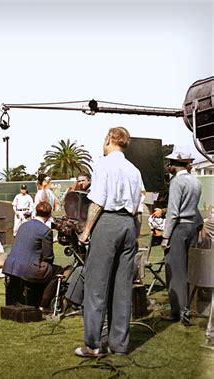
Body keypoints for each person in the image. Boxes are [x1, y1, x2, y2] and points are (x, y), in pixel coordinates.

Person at [76, 127, 143, 357]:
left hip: (108, 223)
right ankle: (120, 345)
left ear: (109, 139)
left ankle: (93, 345)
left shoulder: (103, 164)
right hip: (128, 225)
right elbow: (138, 210)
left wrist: (85, 232)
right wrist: (134, 234)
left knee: (96, 286)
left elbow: (98, 202)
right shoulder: (134, 170)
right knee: (122, 288)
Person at [161, 149, 202, 325]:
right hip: (193, 225)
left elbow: (173, 212)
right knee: (189, 270)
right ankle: (188, 308)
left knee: (175, 271)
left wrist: (165, 236)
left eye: (170, 163)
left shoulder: (177, 182)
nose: (168, 166)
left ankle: (177, 311)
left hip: (179, 227)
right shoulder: (195, 180)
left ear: (175, 165)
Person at [2, 202, 55, 306]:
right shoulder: (46, 231)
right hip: (28, 269)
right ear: (49, 215)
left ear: (36, 212)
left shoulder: (23, 225)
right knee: (54, 270)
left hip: (11, 265)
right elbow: (48, 256)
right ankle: (43, 304)